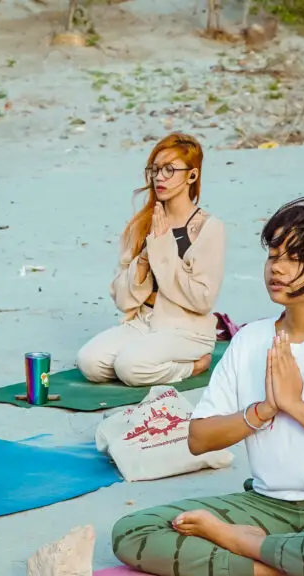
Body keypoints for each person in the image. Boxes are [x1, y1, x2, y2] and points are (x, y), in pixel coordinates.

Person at [112, 198, 304, 576]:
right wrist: (264, 409)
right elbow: (199, 438)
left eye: (295, 257)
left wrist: (295, 405)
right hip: (271, 507)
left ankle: (241, 544)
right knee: (134, 533)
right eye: (274, 255)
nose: (278, 268)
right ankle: (278, 570)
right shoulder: (250, 340)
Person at [76, 132, 226, 387]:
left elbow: (202, 300)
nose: (159, 177)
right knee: (89, 362)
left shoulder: (209, 228)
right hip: (143, 320)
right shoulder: (142, 224)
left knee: (130, 367)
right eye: (155, 170)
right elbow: (122, 298)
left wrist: (163, 248)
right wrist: (144, 260)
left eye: (170, 170)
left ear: (192, 175)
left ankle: (193, 365)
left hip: (186, 328)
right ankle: (147, 355)